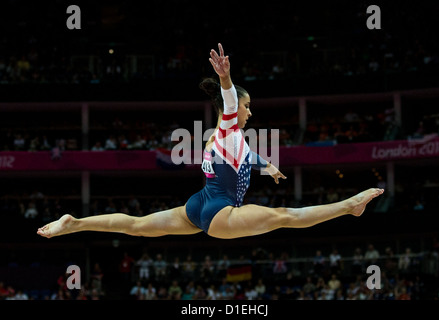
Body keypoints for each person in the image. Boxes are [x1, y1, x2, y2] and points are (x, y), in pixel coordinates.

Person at [37, 43, 384, 240]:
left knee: (137, 225)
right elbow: (231, 103)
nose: (250, 112)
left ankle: (76, 223)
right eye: (249, 106)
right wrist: (226, 77)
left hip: (197, 205)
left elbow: (247, 155)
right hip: (220, 211)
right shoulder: (228, 128)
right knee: (285, 216)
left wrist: (268, 166)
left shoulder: (220, 140)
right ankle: (349, 205)